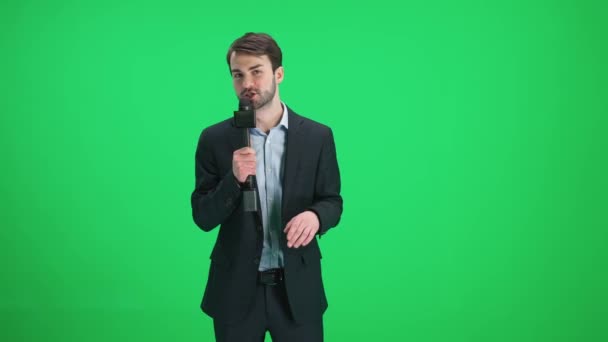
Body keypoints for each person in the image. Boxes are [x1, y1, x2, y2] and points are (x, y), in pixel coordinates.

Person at [191, 32, 343, 342]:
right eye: (238, 74)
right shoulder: (214, 140)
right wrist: (232, 180)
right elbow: (203, 217)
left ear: (279, 73)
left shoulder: (317, 137)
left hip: (298, 292)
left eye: (256, 71)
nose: (247, 82)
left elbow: (332, 201)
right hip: (235, 292)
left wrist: (316, 217)